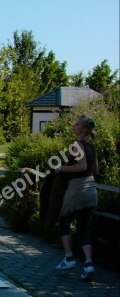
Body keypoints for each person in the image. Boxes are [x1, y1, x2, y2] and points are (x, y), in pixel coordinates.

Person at [55, 115, 99, 281]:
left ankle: (69, 257)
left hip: (77, 190)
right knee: (83, 228)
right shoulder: (91, 147)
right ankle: (89, 263)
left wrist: (62, 168)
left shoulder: (77, 145)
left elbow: (82, 166)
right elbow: (95, 171)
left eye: (77, 124)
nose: (74, 126)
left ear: (84, 130)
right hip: (91, 191)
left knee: (64, 221)